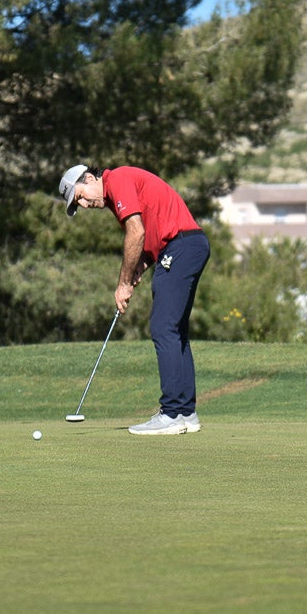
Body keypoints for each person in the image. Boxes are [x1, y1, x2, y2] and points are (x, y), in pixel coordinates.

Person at [58, 164, 211, 436]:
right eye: (77, 204)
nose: (83, 204)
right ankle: (186, 413)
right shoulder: (116, 193)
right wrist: (143, 262)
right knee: (175, 330)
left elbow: (136, 232)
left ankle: (172, 413)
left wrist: (123, 283)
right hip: (189, 245)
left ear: (90, 178)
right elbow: (150, 232)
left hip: (180, 245)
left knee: (163, 328)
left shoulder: (117, 180)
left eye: (80, 196)